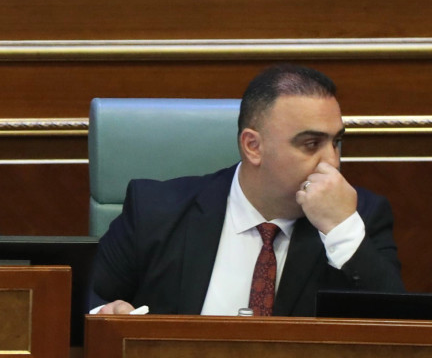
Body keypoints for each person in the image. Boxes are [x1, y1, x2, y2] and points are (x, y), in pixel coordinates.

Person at [91, 64, 403, 315]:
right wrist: (107, 312)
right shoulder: (156, 210)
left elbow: (397, 330)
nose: (332, 162)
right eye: (311, 144)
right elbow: (88, 297)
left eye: (336, 142)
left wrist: (340, 230)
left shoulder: (359, 218)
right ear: (253, 146)